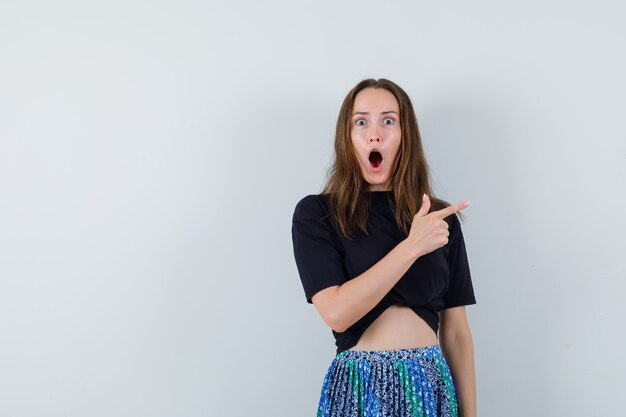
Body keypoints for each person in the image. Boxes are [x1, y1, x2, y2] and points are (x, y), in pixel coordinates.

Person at [291, 78, 478, 417]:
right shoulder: (317, 214)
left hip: (429, 386)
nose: (374, 134)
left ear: (405, 136)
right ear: (347, 138)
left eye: (388, 121)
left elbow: (456, 333)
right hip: (359, 388)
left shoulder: (438, 219)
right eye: (361, 121)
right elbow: (337, 313)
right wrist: (412, 246)